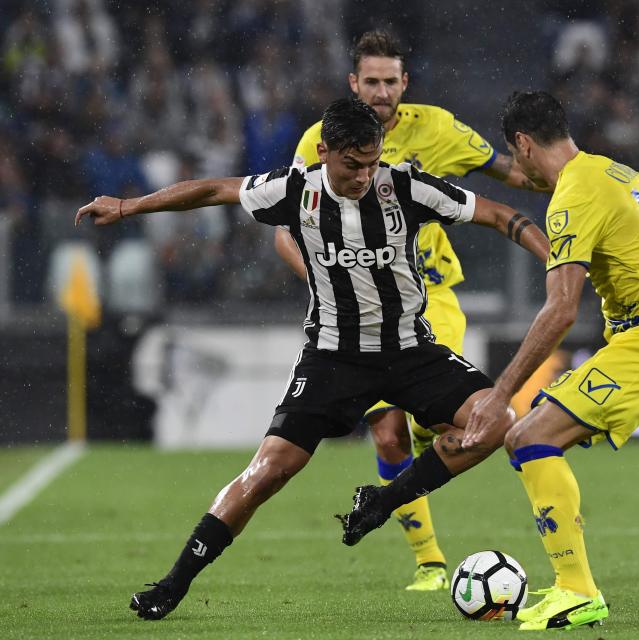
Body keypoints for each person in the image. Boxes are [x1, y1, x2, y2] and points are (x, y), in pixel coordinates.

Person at [75, 97, 549, 621]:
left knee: (498, 421)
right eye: (352, 165)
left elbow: (501, 214)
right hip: (332, 357)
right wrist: (128, 206)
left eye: (372, 162)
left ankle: (383, 502)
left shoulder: (407, 187)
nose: (365, 177)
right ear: (323, 153)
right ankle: (173, 583)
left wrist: (557, 259)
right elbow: (213, 189)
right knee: (267, 472)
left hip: (411, 350)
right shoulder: (294, 188)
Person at [339, 91, 639, 631]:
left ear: (523, 145)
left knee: (528, 436)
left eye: (516, 156)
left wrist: (500, 394)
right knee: (526, 436)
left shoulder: (573, 196)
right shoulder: (612, 171)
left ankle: (577, 592)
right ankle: (562, 582)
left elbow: (559, 311)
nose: (519, 169)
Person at [275, 30, 542, 592]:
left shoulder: (439, 129)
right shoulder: (318, 141)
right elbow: (286, 232)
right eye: (369, 81)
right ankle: (428, 562)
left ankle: (420, 467)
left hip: (433, 296)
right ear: (354, 82)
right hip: (358, 317)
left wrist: (573, 179)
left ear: (405, 83)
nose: (380, 91)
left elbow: (511, 173)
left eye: (389, 81)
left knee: (435, 423)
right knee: (388, 434)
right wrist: (332, 287)